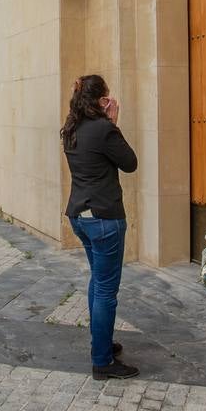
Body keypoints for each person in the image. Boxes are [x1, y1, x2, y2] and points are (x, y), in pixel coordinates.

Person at [62, 74, 139, 380]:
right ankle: (102, 361)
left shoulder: (71, 128)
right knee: (107, 290)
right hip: (105, 219)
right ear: (101, 100)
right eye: (107, 96)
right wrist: (113, 123)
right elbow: (130, 162)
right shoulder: (104, 129)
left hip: (80, 216)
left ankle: (102, 343)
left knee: (98, 282)